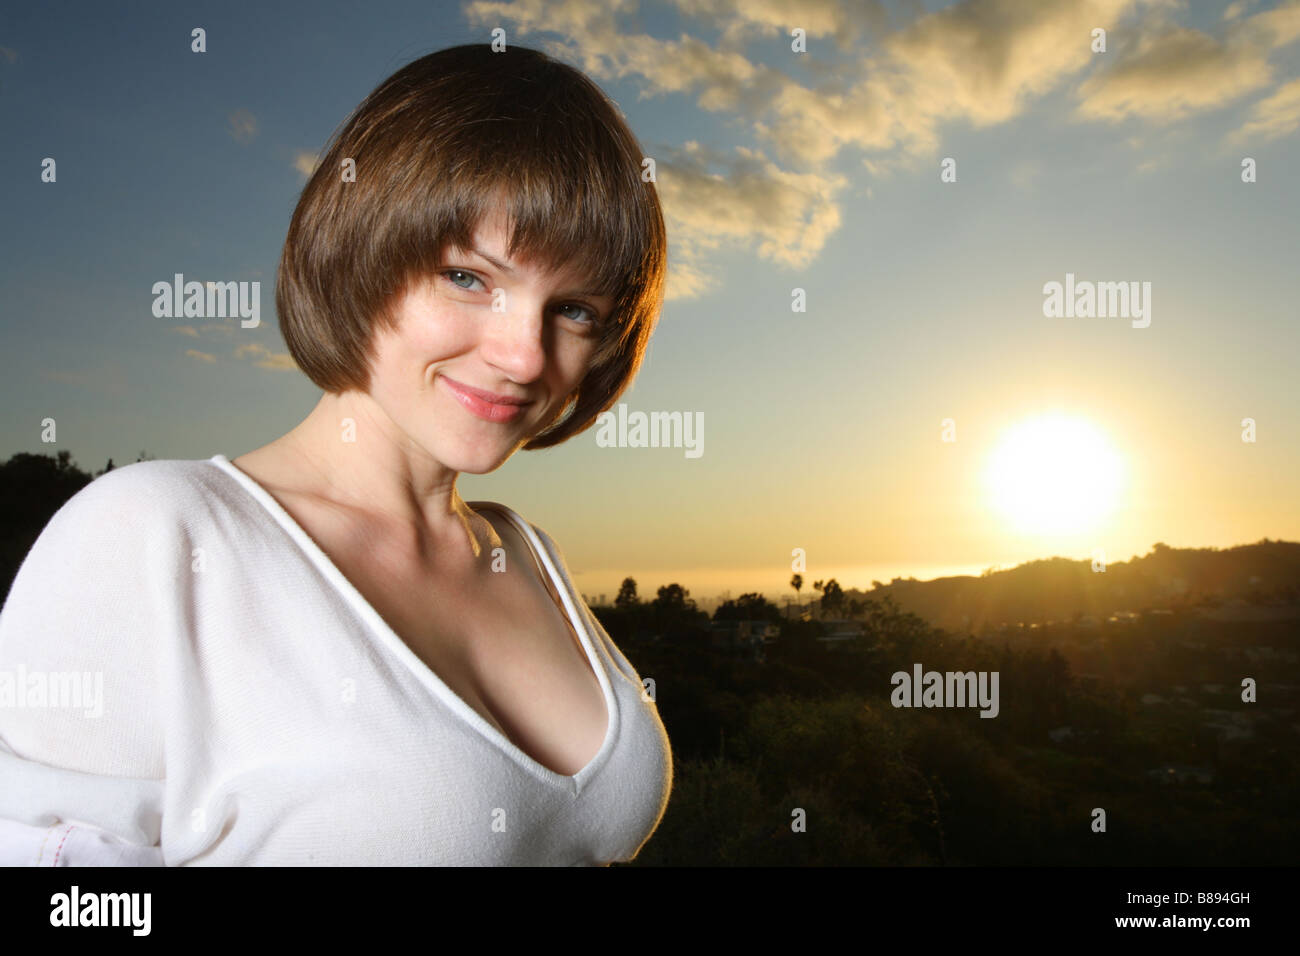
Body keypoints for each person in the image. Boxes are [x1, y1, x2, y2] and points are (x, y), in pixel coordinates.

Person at [0, 43, 671, 865]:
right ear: (362, 251)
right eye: (468, 278)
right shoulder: (152, 535)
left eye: (572, 309)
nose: (523, 356)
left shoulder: (528, 555)